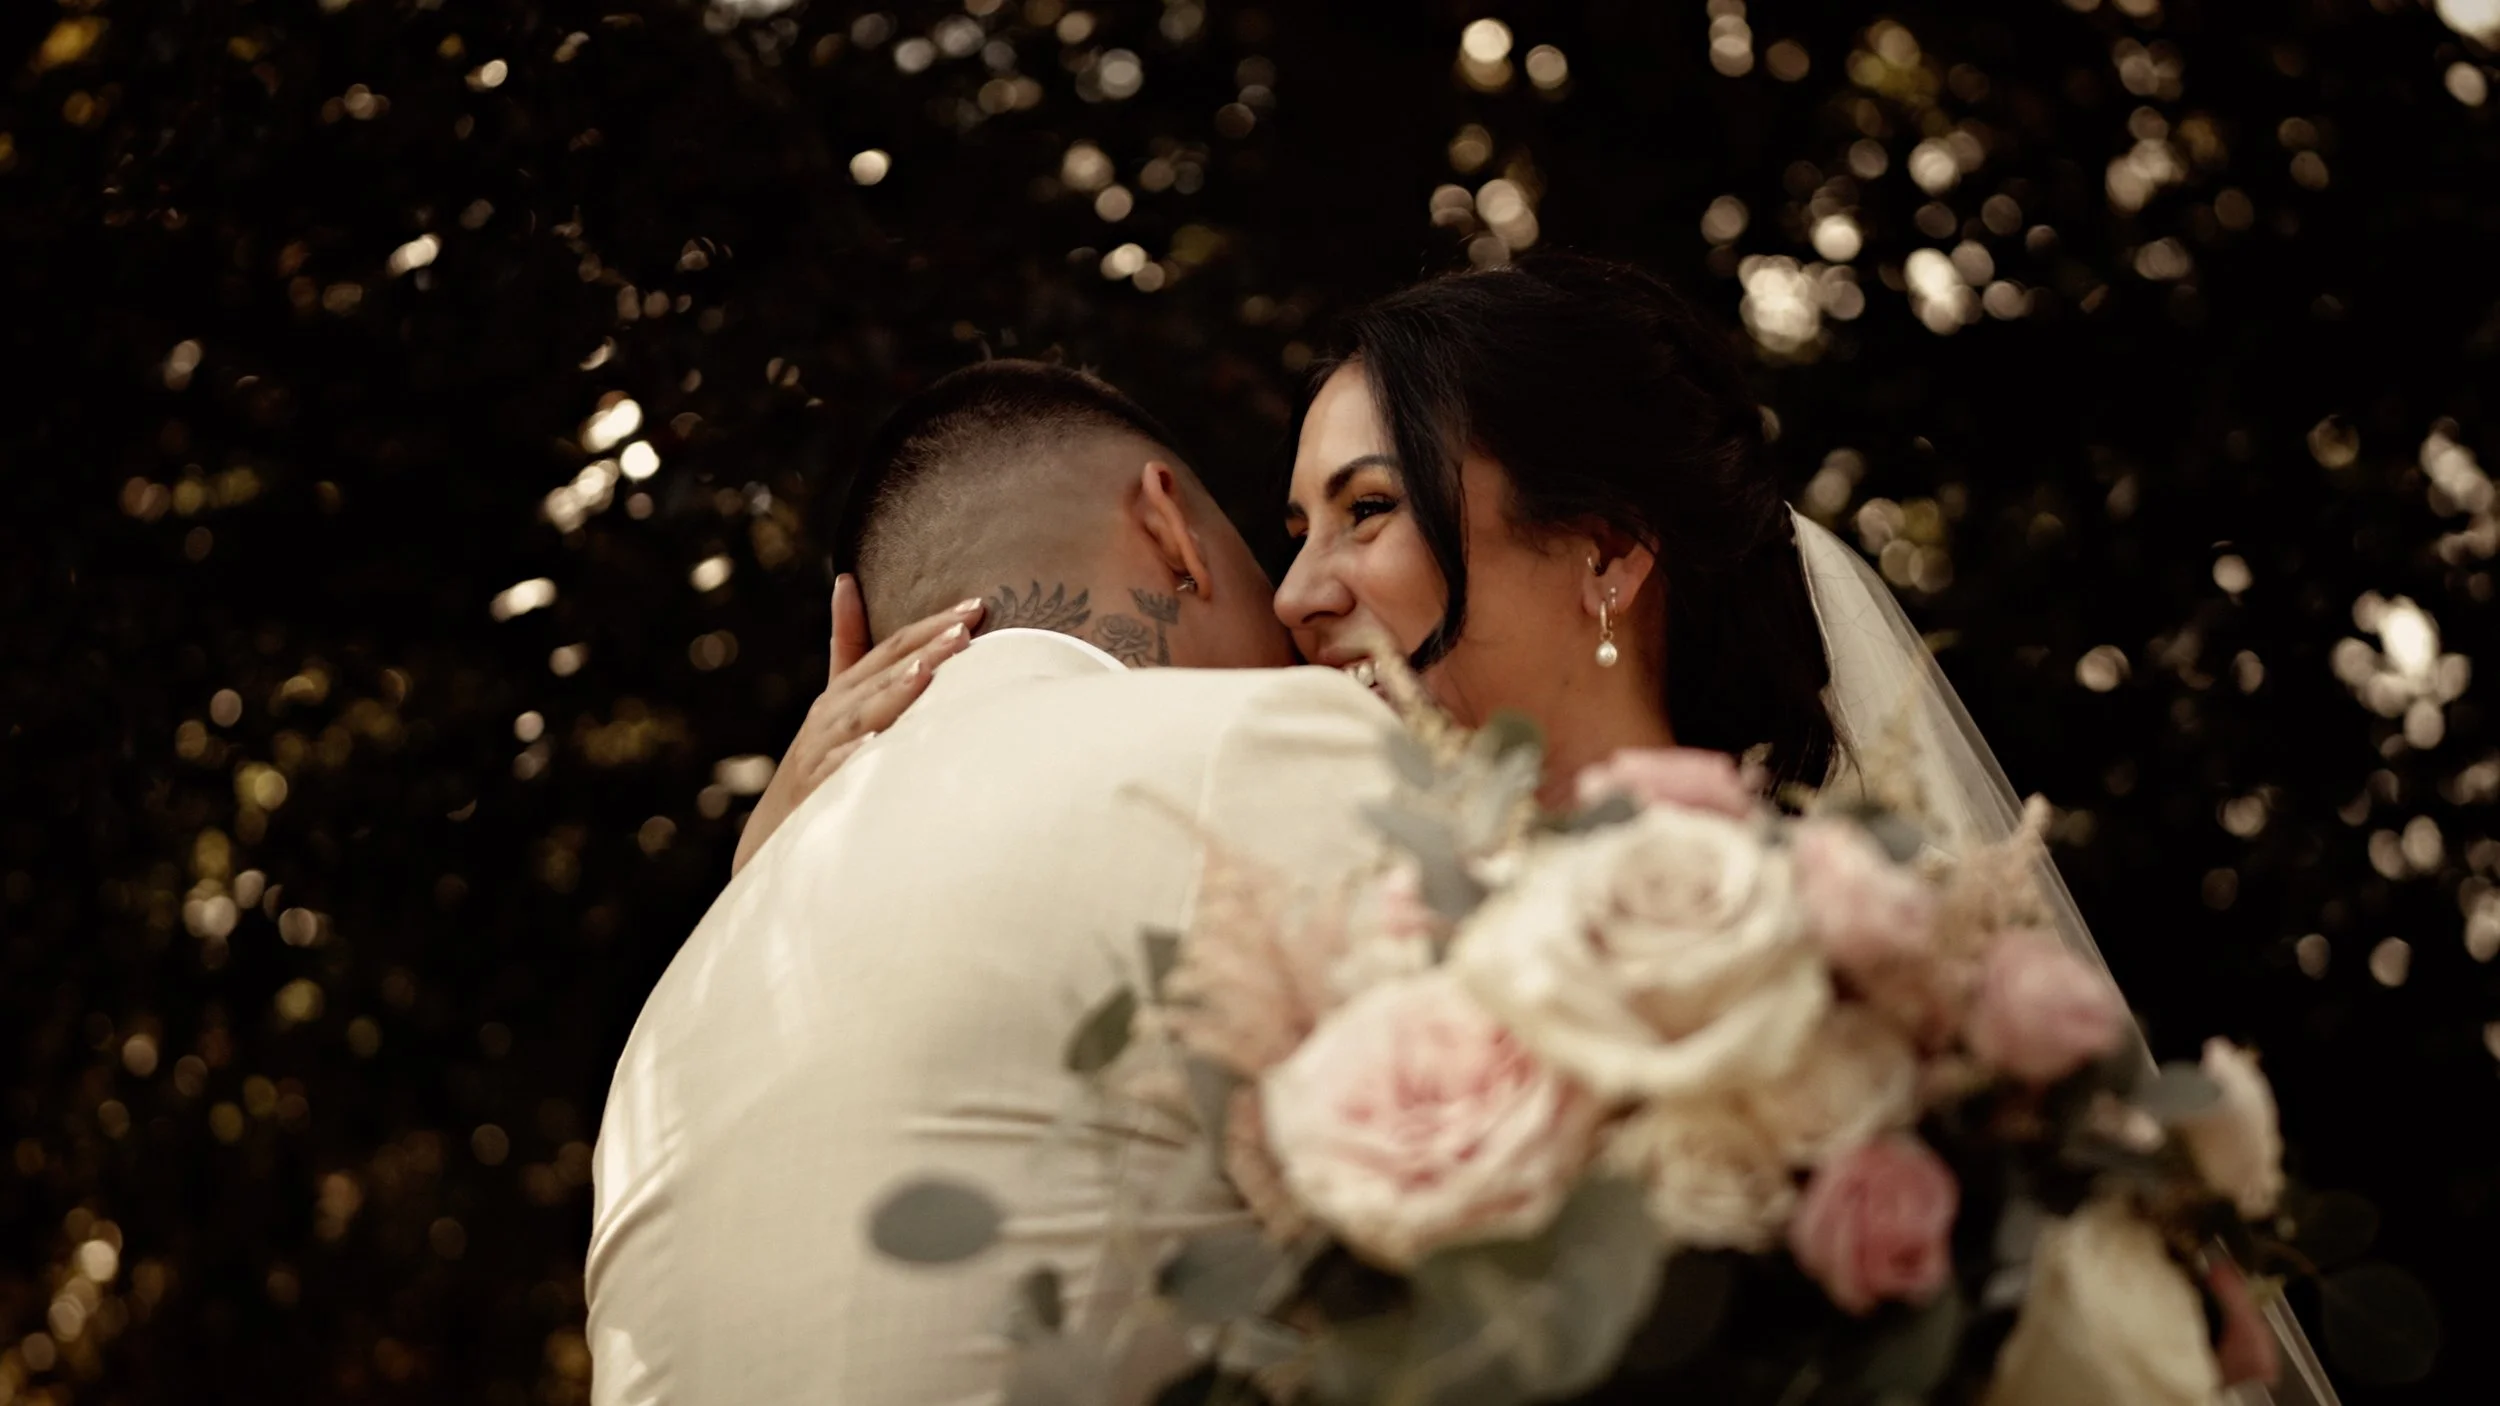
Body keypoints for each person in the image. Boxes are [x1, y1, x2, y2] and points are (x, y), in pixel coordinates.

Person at [748, 253, 2338, 1406]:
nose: (1292, 595)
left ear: (1602, 554)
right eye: (1294, 526)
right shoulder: (1328, 947)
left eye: (1367, 510)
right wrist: (796, 871)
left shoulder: (1854, 966)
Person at [585, 361, 1404, 1406]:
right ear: (1170, 527)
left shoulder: (665, 1025)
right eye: (1263, 551)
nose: (1290, 612)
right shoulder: (1253, 743)